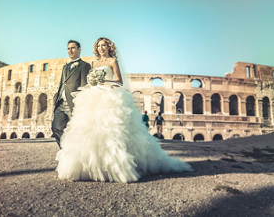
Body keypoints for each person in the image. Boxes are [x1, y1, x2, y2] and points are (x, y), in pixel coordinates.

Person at [56, 37, 193, 183]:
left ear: (109, 47)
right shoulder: (93, 63)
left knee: (112, 130)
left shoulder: (112, 61)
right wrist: (94, 82)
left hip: (109, 95)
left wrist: (106, 82)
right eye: (99, 46)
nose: (102, 48)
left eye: (104, 45)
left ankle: (114, 167)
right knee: (90, 130)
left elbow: (120, 81)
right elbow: (90, 81)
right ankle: (89, 167)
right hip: (94, 95)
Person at [51, 40, 91, 148]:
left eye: (73, 48)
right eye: (68, 48)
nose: (70, 51)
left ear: (79, 49)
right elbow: (61, 84)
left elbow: (84, 86)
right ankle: (66, 151)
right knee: (56, 127)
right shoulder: (65, 67)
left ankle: (77, 152)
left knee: (78, 130)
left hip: (74, 102)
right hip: (61, 102)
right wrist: (56, 100)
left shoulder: (85, 66)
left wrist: (81, 103)